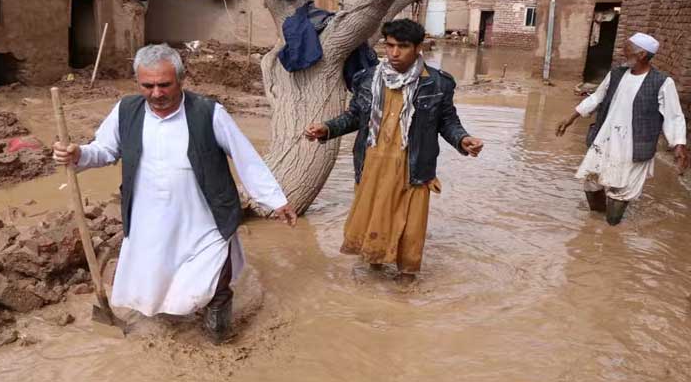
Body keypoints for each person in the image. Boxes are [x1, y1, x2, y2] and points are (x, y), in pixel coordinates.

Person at [53, 44, 296, 343]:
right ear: (138, 82)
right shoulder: (126, 111)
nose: (156, 93)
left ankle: (220, 341)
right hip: (150, 221)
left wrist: (275, 200)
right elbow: (104, 151)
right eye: (148, 85)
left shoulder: (209, 113)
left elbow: (246, 157)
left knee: (216, 281)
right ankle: (172, 319)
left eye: (164, 84)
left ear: (181, 80)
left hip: (204, 219)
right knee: (160, 279)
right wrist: (78, 154)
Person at [304, 19, 484, 285]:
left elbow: (447, 121)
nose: (394, 53)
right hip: (373, 165)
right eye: (389, 46)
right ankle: (372, 280)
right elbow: (355, 116)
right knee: (373, 229)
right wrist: (327, 129)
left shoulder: (437, 84)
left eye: (403, 46)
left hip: (413, 168)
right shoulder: (367, 79)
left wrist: (463, 139)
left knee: (410, 233)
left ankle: (405, 285)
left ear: (418, 48)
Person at [556, 33, 689, 225]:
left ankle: (611, 230)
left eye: (627, 49)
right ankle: (593, 227)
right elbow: (596, 98)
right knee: (592, 183)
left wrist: (679, 145)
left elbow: (673, 116)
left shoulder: (662, 83)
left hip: (634, 146)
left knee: (622, 191)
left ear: (642, 54)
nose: (622, 52)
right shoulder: (616, 74)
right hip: (605, 139)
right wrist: (570, 118)